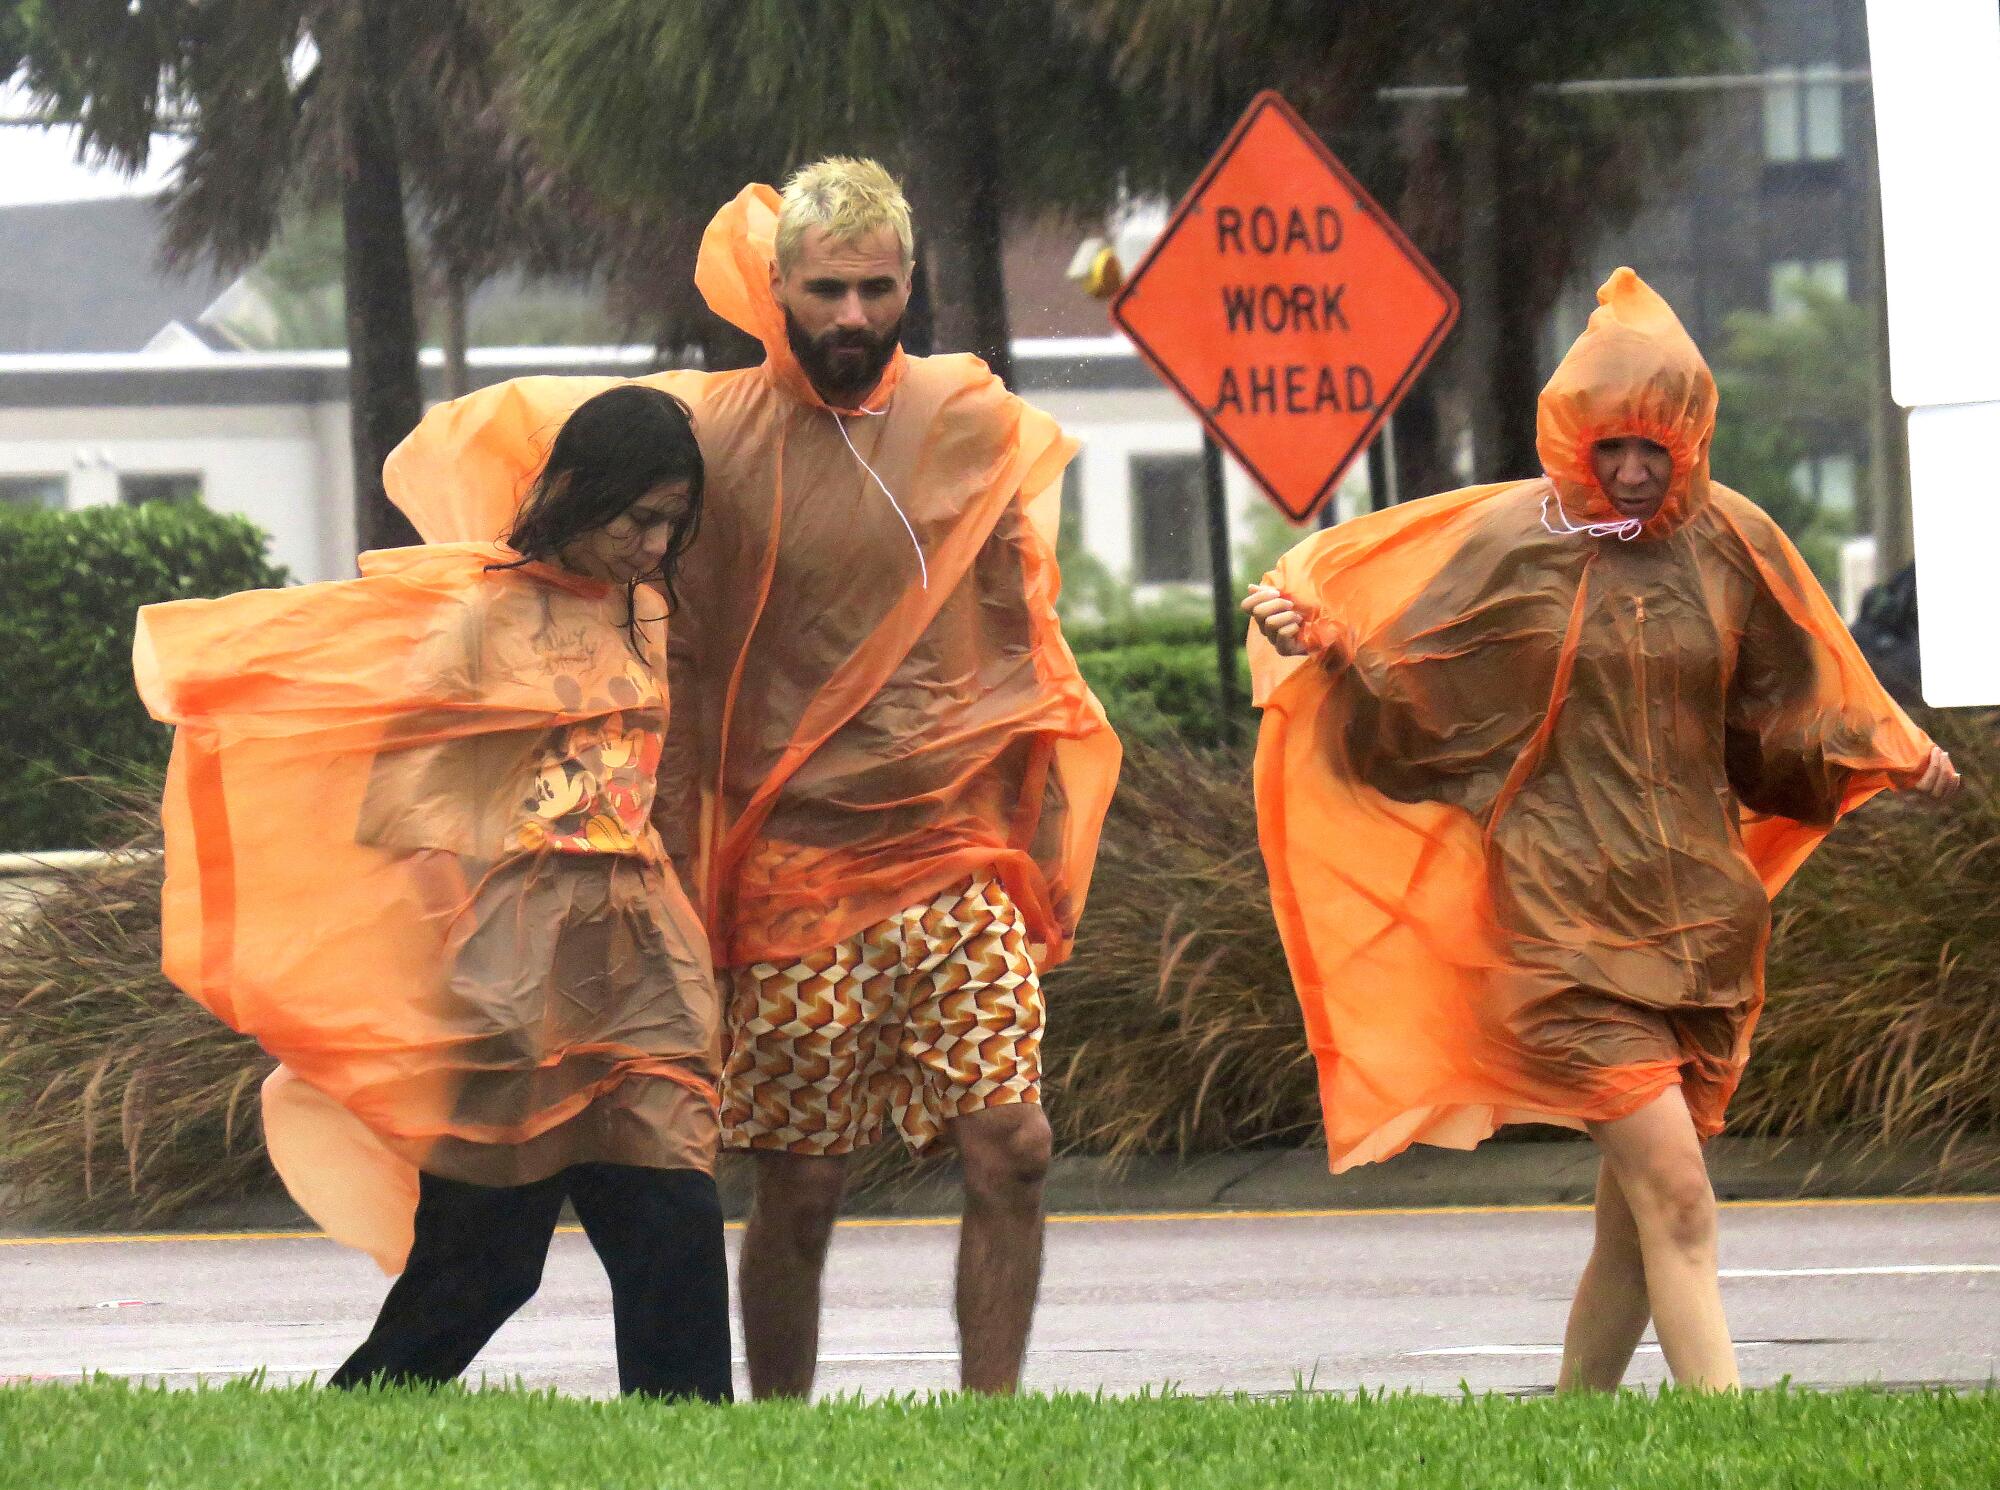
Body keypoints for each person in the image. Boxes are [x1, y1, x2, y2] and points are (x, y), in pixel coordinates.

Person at [385, 157, 1120, 1398]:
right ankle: (774, 1430)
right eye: (826, 287)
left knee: (1016, 1143)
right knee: (799, 1179)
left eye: (876, 289)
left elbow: (1020, 627)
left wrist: (1039, 806)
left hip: (949, 855)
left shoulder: (968, 419)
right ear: (775, 285)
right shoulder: (714, 435)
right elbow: (585, 509)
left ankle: (994, 1425)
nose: (851, 316)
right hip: (785, 871)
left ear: (910, 283)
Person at [1241, 268, 1959, 1393]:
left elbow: (1781, 711)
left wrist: (1884, 749)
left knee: (1633, 1220)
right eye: (1608, 446)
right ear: (1573, 438)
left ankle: (1574, 1421)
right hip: (1559, 929)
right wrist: (1332, 650)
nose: (1628, 470)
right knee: (1674, 1192)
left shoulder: (1731, 542)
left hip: (1701, 929)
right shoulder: (1513, 545)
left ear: (1688, 439)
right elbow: (1420, 713)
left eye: (1651, 448)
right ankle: (1726, 1440)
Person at [133, 385, 732, 1401]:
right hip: (509, 980)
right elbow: (400, 812)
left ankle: (697, 1455)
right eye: (638, 518)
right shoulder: (474, 616)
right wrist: (469, 960)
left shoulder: (646, 608)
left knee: (670, 1230)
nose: (653, 542)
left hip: (642, 973)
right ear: (578, 492)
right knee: (485, 1263)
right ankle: (352, 1426)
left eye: (672, 522)